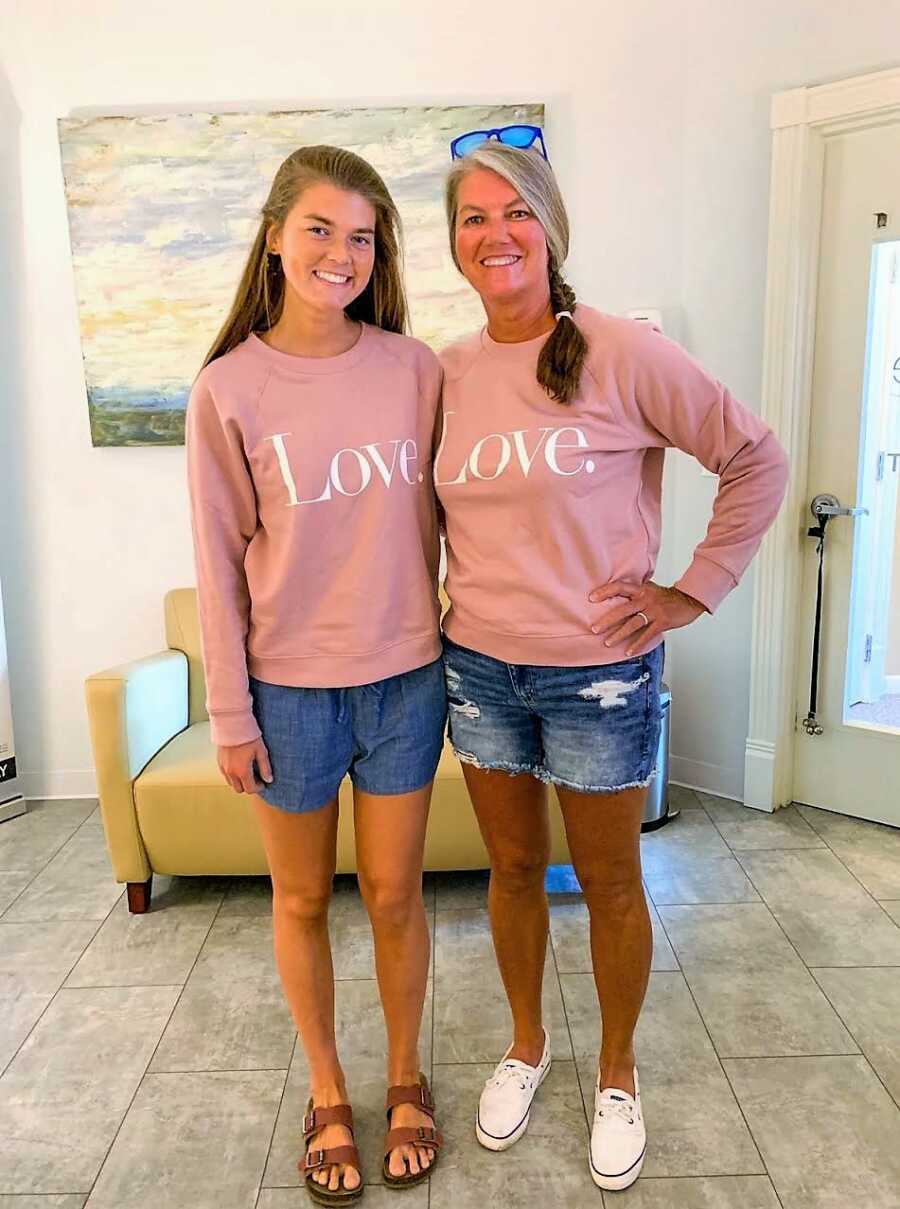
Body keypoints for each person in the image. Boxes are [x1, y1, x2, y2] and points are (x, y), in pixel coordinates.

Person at [435, 133, 789, 1192]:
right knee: (508, 873)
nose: (496, 235)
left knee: (609, 879)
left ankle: (619, 1072)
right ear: (454, 243)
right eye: (473, 217)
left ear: (549, 228)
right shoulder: (445, 371)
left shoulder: (618, 350)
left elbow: (754, 457)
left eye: (515, 213)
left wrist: (693, 589)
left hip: (598, 674)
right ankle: (528, 1044)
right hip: (481, 673)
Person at [186, 145, 445, 1204]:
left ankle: (405, 1075)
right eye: (321, 231)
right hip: (287, 692)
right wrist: (230, 714)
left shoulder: (414, 369)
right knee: (301, 899)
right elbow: (215, 563)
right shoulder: (228, 388)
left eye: (363, 237)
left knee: (393, 894)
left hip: (406, 681)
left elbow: (464, 510)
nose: (342, 255)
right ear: (276, 238)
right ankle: (329, 1091)